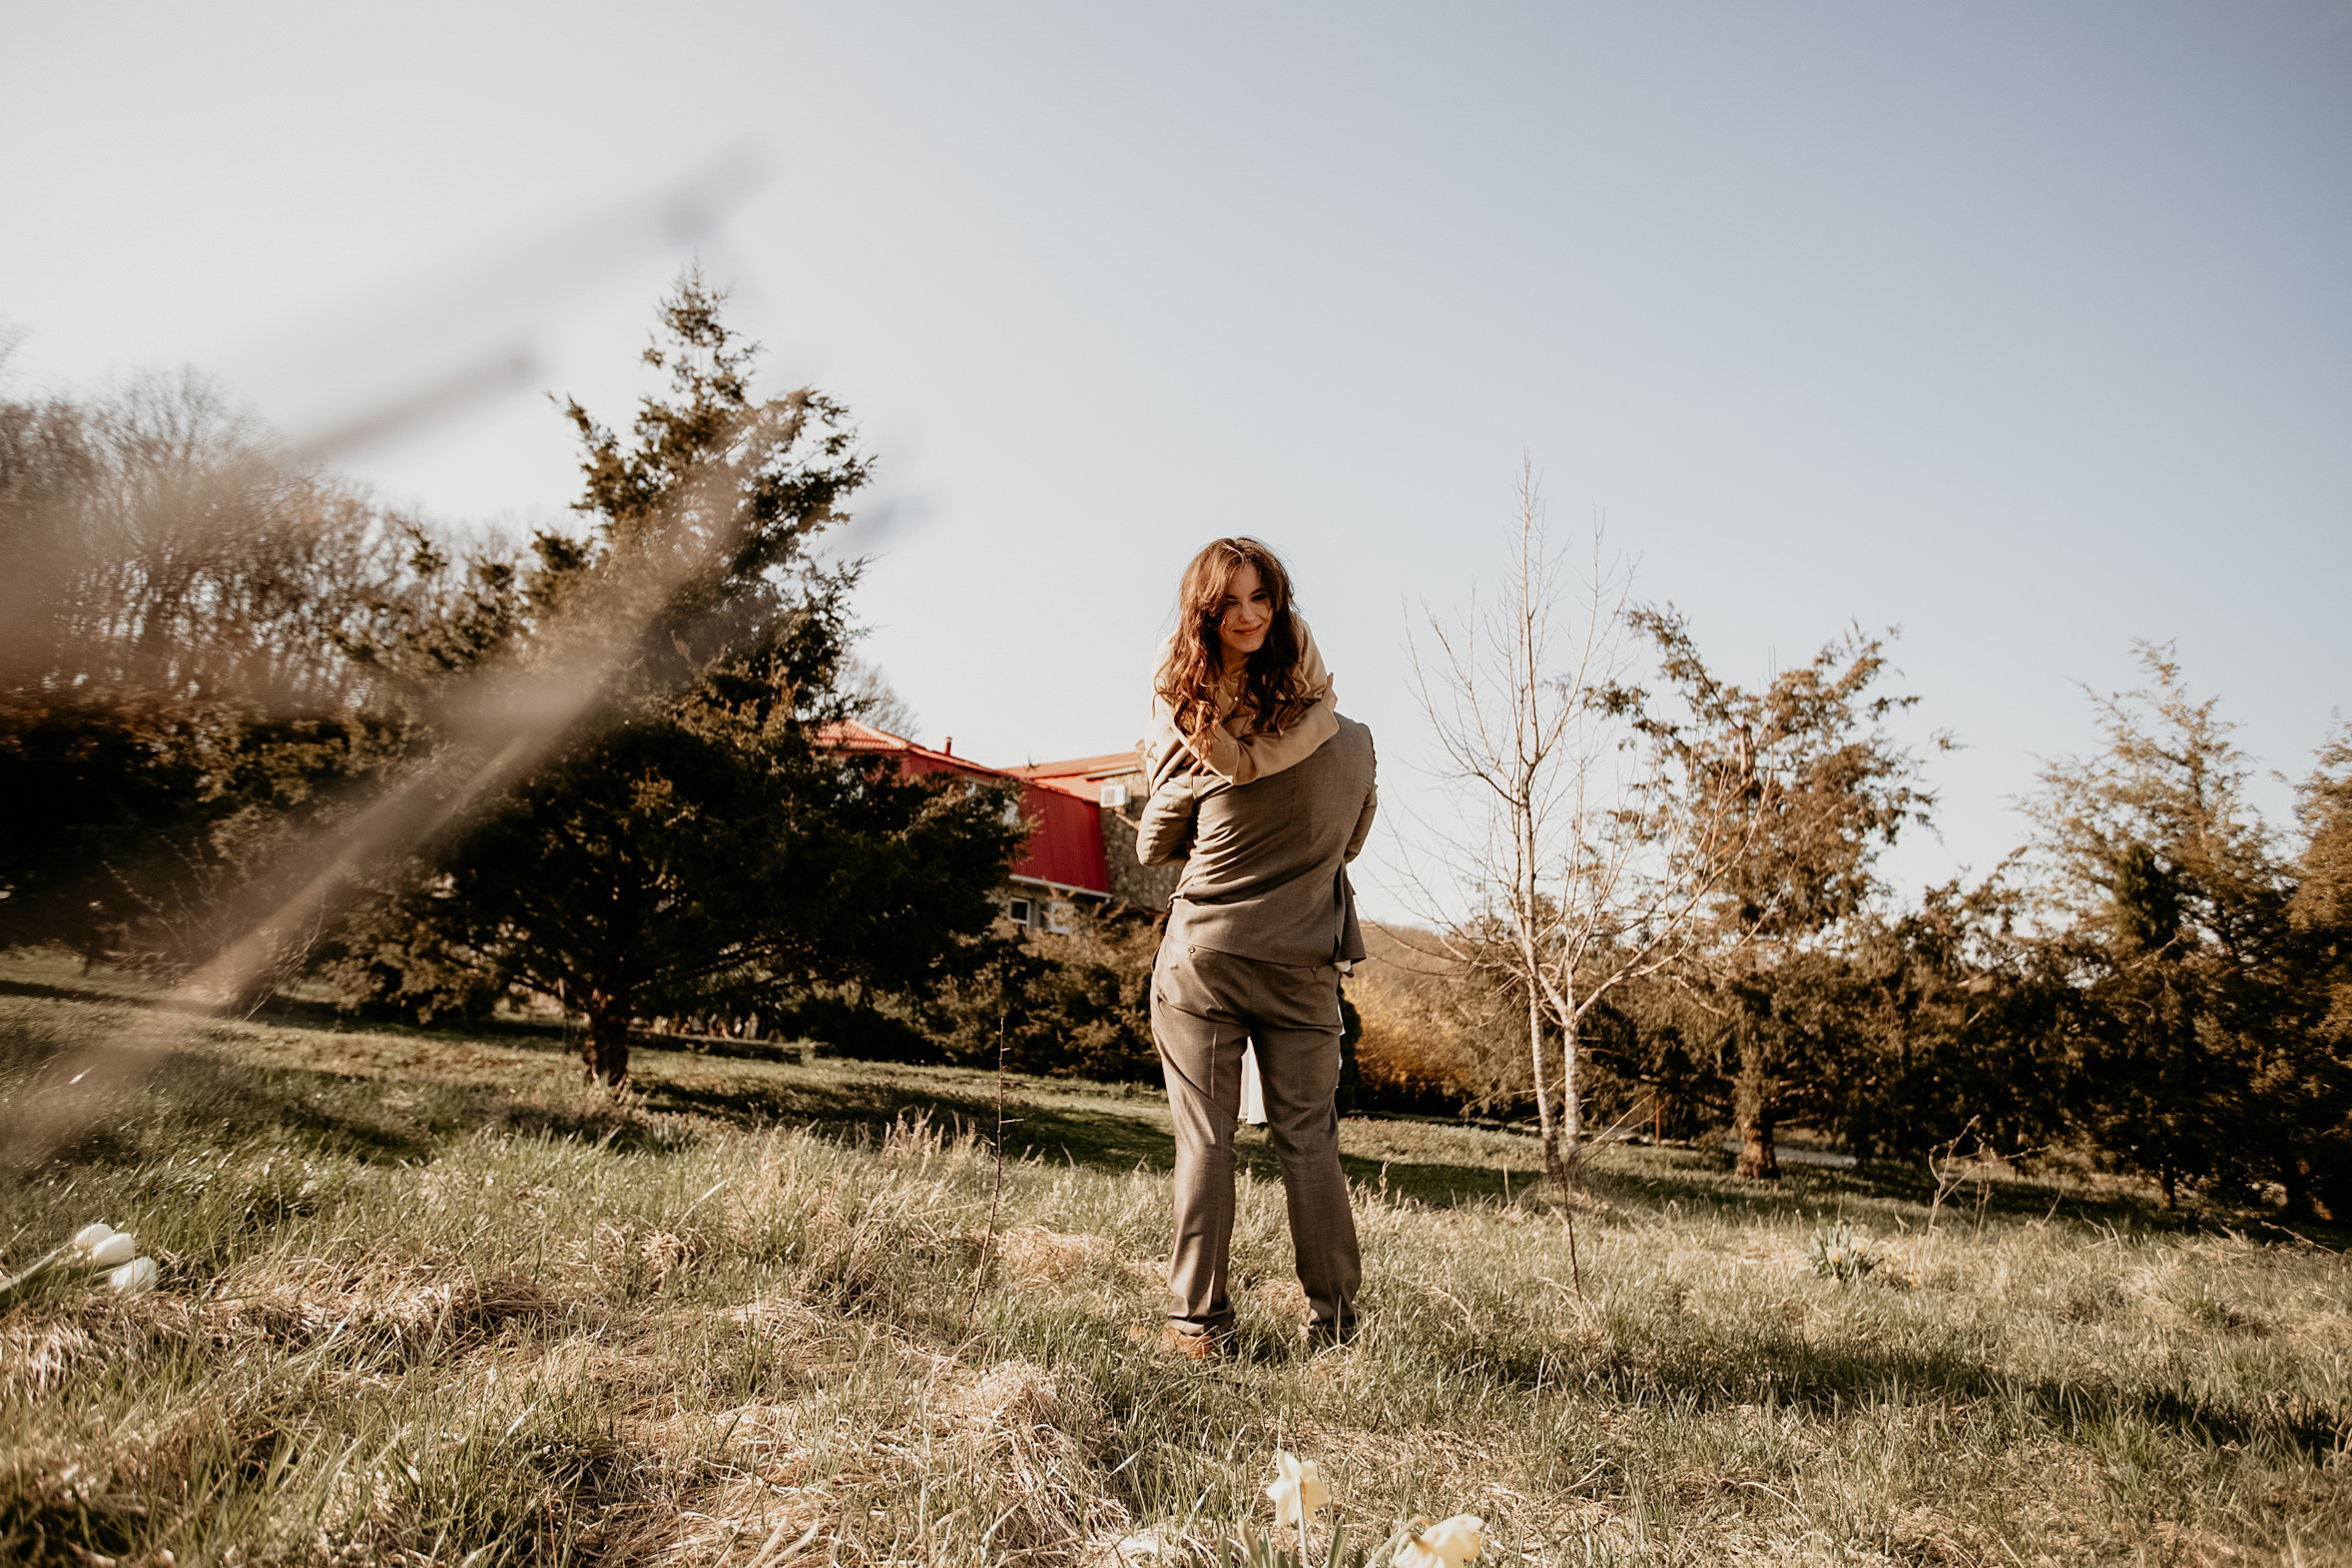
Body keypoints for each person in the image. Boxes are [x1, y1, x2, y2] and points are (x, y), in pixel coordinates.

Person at [1138, 537, 1378, 1356]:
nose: (1247, 614)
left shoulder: (1201, 735)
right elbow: (1350, 841)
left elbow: (1152, 840)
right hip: (1305, 962)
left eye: (1258, 599)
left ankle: (1196, 1324)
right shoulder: (1355, 743)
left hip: (1204, 957)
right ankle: (1337, 1326)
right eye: (1230, 603)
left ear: (1275, 609)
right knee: (1310, 1138)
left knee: (1208, 1138)